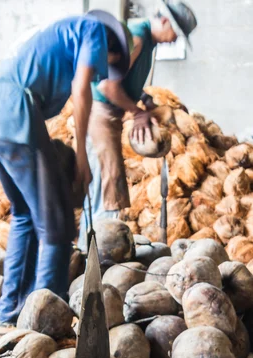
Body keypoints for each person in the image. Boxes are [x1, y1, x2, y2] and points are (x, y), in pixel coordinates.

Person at [0, 11, 131, 325]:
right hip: (15, 114)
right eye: (105, 65)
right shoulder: (93, 30)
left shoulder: (58, 33)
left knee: (25, 215)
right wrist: (83, 159)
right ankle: (44, 324)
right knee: (58, 227)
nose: (101, 71)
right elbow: (81, 87)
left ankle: (11, 313)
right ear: (109, 49)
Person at [78, 0, 197, 251]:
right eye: (176, 34)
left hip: (108, 116)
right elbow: (106, 86)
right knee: (106, 190)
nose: (174, 40)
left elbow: (121, 80)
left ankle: (92, 254)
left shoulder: (146, 41)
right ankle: (92, 260)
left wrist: (140, 97)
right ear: (164, 21)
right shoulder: (137, 36)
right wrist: (137, 112)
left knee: (108, 187)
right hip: (100, 115)